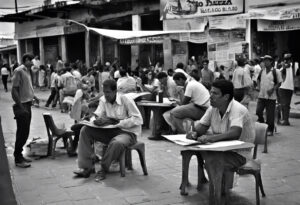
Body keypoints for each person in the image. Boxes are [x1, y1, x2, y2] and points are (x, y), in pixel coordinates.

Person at [186, 79, 255, 205]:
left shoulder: (237, 109)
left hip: (239, 153)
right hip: (221, 150)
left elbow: (235, 132)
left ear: (226, 97)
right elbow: (202, 126)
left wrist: (211, 138)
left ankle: (216, 198)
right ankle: (217, 191)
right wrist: (195, 133)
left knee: (212, 161)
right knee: (203, 154)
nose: (210, 96)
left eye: (215, 93)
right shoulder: (213, 108)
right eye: (210, 92)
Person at [73, 79, 143, 180]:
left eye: (108, 92)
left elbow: (138, 119)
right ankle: (86, 168)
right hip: (110, 131)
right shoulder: (103, 100)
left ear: (115, 91)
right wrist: (93, 119)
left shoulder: (125, 100)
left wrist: (117, 122)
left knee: (116, 143)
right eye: (104, 92)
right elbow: (97, 113)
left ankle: (103, 169)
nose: (106, 95)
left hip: (127, 133)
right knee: (85, 130)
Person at [11, 53, 40, 168]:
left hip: (27, 104)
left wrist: (34, 96)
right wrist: (21, 107)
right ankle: (18, 159)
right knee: (22, 132)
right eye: (31, 60)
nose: (33, 62)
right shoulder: (19, 70)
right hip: (22, 105)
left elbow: (26, 88)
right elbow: (14, 91)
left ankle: (20, 155)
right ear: (26, 60)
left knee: (25, 131)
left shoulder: (27, 71)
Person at [256, 55, 282, 136]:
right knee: (258, 111)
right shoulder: (262, 71)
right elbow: (258, 79)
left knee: (270, 115)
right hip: (261, 96)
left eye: (267, 60)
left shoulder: (276, 71)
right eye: (264, 60)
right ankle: (263, 124)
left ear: (271, 61)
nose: (265, 62)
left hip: (271, 97)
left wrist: (273, 89)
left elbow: (279, 82)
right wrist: (258, 87)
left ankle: (270, 129)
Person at [278, 53, 294, 125]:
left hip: (286, 87)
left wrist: (283, 65)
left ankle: (285, 120)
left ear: (290, 60)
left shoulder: (290, 65)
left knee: (285, 105)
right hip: (285, 87)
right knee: (284, 104)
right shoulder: (284, 66)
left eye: (287, 59)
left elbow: (287, 66)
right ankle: (284, 119)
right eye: (285, 59)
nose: (286, 61)